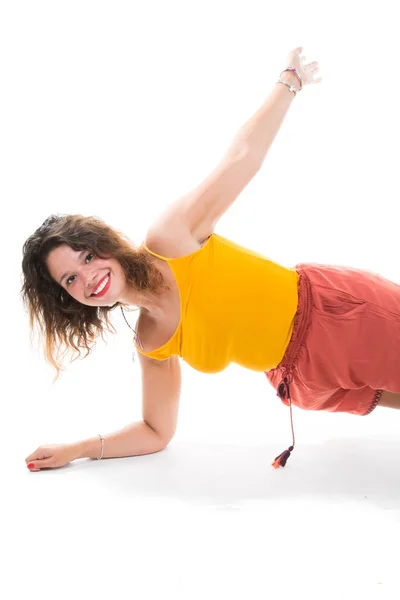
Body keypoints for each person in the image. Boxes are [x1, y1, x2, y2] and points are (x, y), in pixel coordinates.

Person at [22, 47, 400, 474]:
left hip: (337, 317)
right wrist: (76, 449)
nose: (89, 276)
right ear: (70, 300)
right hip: (304, 380)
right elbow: (155, 431)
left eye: (87, 256)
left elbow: (242, 158)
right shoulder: (151, 342)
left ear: (103, 244)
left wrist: (288, 83)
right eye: (70, 279)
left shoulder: (170, 239)